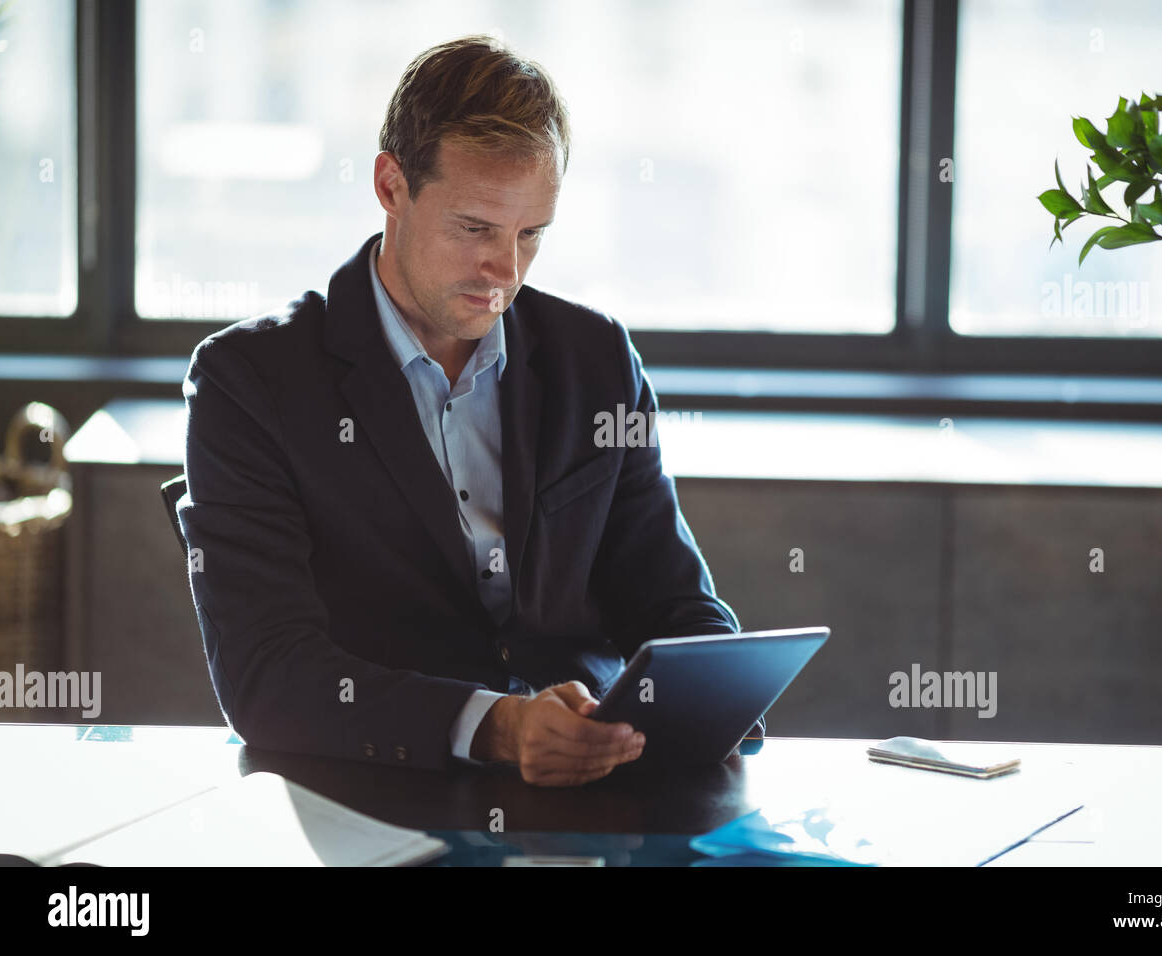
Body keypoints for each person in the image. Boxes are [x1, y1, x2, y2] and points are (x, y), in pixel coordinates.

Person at [178, 34, 757, 788]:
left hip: (599, 791)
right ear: (391, 186)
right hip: (376, 791)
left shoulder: (596, 361)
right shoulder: (249, 382)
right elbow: (268, 676)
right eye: (475, 229)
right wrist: (499, 729)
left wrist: (721, 697)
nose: (505, 272)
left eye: (530, 235)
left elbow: (674, 604)